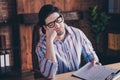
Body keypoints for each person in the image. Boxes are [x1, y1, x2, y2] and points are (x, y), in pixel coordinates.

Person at [35, 4, 100, 79]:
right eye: (51, 24)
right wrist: (49, 41)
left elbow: (90, 55)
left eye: (58, 20)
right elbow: (49, 75)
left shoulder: (77, 33)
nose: (57, 25)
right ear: (45, 27)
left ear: (62, 18)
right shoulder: (41, 46)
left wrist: (94, 61)